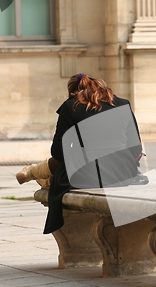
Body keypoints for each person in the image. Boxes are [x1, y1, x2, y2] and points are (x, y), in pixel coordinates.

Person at [22, 73, 144, 234]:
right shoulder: (123, 104)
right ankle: (33, 173)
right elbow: (136, 149)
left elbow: (57, 152)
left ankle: (33, 173)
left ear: (72, 91)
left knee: (57, 173)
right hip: (123, 172)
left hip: (88, 174)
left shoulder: (70, 106)